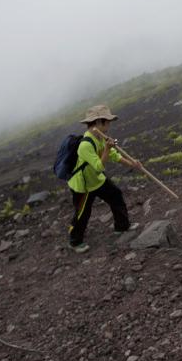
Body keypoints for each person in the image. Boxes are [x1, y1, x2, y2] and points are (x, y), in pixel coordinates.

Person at [67, 104, 142, 253]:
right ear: (99, 122)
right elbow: (99, 166)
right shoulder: (85, 145)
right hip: (83, 185)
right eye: (107, 121)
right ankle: (75, 242)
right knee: (82, 213)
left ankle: (122, 226)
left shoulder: (101, 137)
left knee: (115, 195)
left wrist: (132, 164)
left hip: (96, 180)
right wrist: (107, 149)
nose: (109, 124)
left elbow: (115, 155)